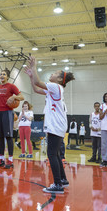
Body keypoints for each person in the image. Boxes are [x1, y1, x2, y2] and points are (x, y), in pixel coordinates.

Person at [24, 55, 75, 194]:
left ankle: (57, 184)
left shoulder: (56, 86)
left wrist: (34, 66)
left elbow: (38, 82)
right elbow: (36, 89)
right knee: (56, 154)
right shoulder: (54, 89)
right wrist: (30, 76)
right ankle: (63, 180)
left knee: (51, 154)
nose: (51, 74)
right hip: (58, 124)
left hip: (56, 125)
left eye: (54, 73)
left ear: (59, 79)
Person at [0, 68, 24, 169]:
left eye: (4, 74)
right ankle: (1, 159)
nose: (2, 76)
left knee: (8, 137)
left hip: (8, 112)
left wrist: (14, 97)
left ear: (8, 77)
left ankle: (10, 160)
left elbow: (21, 97)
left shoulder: (11, 86)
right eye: (1, 74)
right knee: (0, 136)